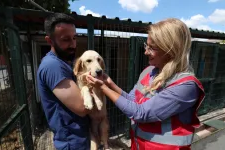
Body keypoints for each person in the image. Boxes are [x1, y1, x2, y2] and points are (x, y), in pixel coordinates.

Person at [86, 18, 205, 150]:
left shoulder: (185, 86)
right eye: (146, 46)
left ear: (170, 49)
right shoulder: (148, 72)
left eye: (151, 48)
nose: (146, 52)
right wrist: (110, 84)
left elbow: (140, 113)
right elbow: (133, 100)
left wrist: (102, 88)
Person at [37, 13, 91, 150]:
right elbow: (83, 107)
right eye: (66, 40)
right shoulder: (53, 66)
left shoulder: (65, 61)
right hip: (71, 141)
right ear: (49, 41)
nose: (73, 44)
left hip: (79, 137)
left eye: (74, 38)